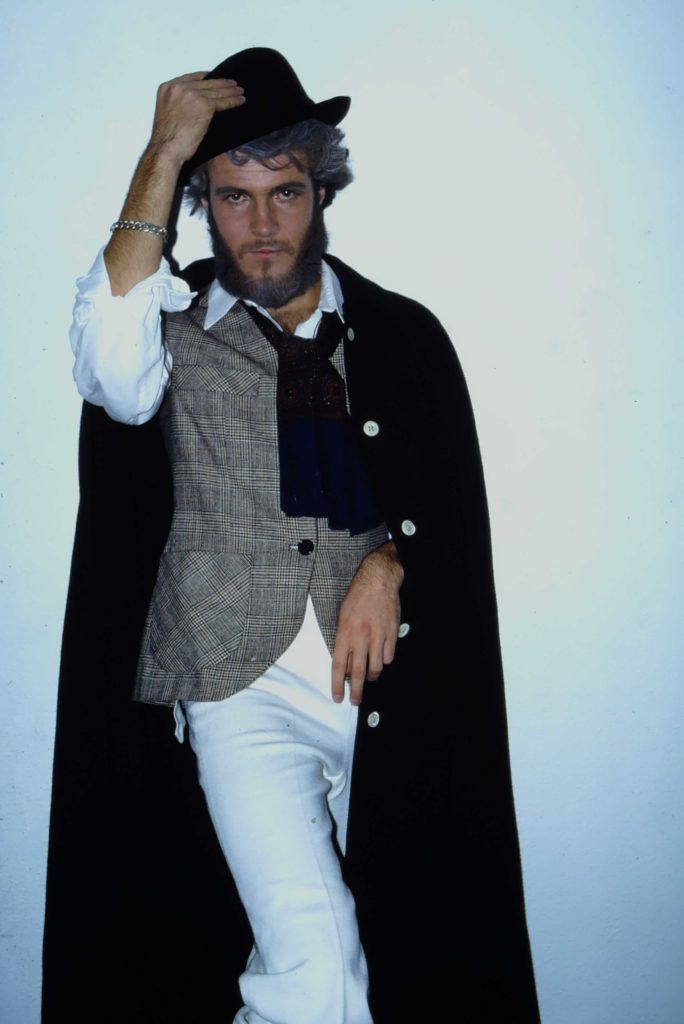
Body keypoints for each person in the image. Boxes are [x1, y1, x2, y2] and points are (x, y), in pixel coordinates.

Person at [56, 47, 539, 1024]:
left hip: (387, 686)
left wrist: (391, 562)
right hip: (237, 685)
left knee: (415, 951)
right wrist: (161, 156)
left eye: (285, 192)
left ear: (322, 193)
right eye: (233, 197)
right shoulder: (168, 330)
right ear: (202, 203)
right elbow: (107, 369)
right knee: (317, 971)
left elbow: (445, 513)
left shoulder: (400, 335)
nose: (264, 225)